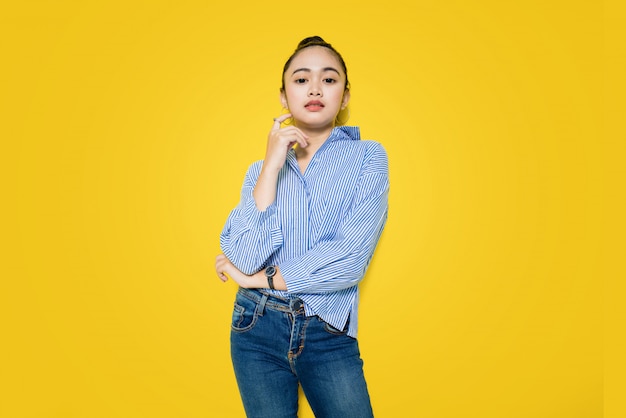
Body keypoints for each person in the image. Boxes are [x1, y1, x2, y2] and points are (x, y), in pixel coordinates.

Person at [215, 36, 389, 418]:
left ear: (344, 96)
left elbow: (349, 260)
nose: (314, 88)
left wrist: (257, 279)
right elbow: (242, 253)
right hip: (254, 328)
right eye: (300, 79)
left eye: (329, 80)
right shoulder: (258, 173)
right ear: (283, 96)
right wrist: (271, 165)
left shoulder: (367, 157)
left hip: (326, 328)